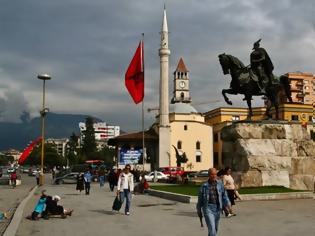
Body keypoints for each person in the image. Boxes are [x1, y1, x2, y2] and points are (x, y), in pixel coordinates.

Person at [197, 168, 231, 236]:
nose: (214, 176)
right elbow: (200, 200)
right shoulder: (204, 186)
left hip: (218, 208)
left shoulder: (220, 184)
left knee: (215, 229)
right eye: (212, 174)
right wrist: (199, 210)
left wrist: (228, 203)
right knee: (212, 229)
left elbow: (224, 195)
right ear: (209, 175)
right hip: (208, 208)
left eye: (215, 174)